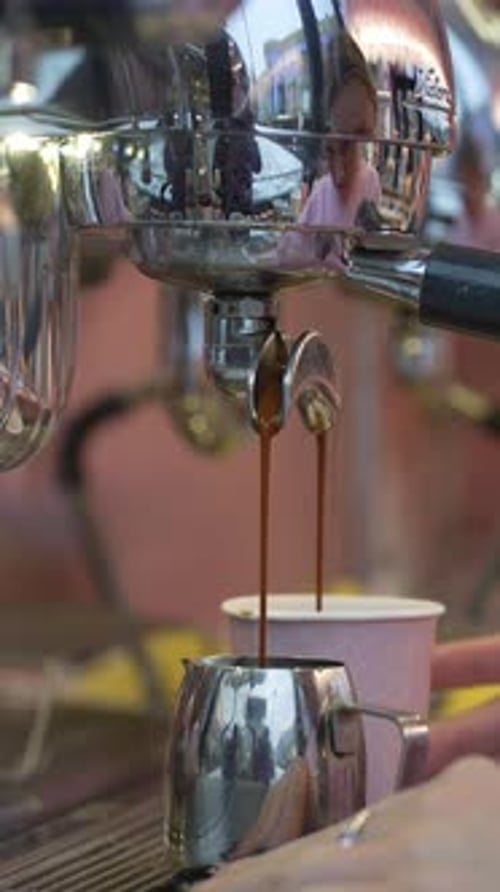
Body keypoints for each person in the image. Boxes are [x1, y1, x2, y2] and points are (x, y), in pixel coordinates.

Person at [278, 32, 381, 268]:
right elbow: (286, 254)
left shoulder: (373, 184)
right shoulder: (322, 192)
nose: (340, 174)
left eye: (353, 142)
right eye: (329, 151)